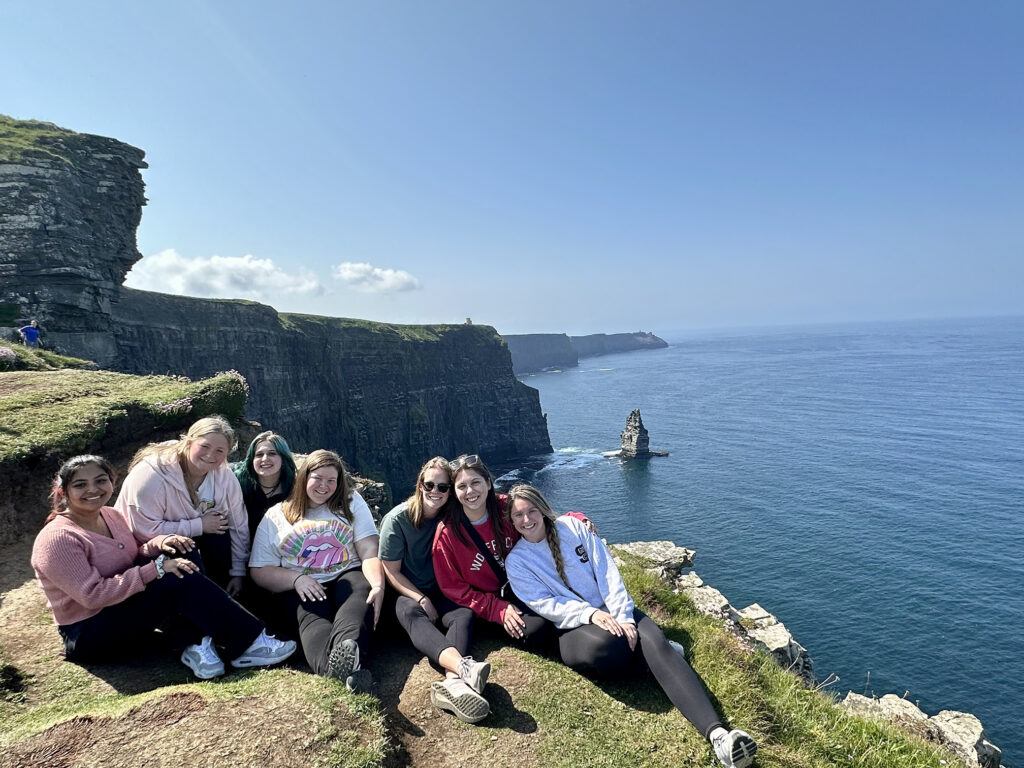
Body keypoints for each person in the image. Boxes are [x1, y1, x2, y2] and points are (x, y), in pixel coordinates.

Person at [504, 484, 758, 768]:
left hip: (613, 608)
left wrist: (623, 616)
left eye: (531, 511)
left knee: (656, 643)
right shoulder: (517, 561)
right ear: (511, 521)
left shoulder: (572, 527)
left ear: (543, 509)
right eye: (518, 516)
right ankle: (654, 663)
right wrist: (590, 615)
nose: (526, 520)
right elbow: (545, 604)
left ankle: (720, 737)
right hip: (572, 626)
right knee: (607, 647)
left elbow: (607, 572)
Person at [31, 455, 296, 678]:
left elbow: (135, 554)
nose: (93, 490)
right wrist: (156, 569)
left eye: (100, 481)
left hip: (122, 609)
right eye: (81, 485)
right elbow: (92, 595)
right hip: (90, 633)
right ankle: (248, 642)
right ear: (63, 492)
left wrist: (163, 542)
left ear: (112, 482)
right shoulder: (58, 538)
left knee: (183, 550)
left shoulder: (110, 516)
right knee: (174, 577)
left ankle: (196, 642)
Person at [249, 449, 385, 692]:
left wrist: (377, 584)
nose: (324, 486)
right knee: (310, 617)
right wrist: (296, 579)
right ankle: (340, 669)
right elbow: (259, 570)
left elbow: (367, 549)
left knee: (359, 591)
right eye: (318, 479)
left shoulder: (351, 502)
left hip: (346, 572)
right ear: (304, 478)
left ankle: (345, 651)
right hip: (301, 583)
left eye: (331, 480)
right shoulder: (276, 516)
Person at [380, 457, 490, 723]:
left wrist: (571, 518)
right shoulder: (398, 520)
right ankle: (464, 666)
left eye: (443, 487)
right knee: (411, 612)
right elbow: (391, 571)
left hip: (442, 589)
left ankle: (453, 682)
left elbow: (501, 505)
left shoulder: (452, 513)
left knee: (463, 614)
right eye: (429, 484)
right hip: (405, 591)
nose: (435, 492)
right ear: (420, 485)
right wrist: (420, 597)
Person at [115, 416, 248, 595]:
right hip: (142, 551)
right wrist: (199, 525)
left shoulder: (224, 477)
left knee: (219, 532)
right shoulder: (153, 476)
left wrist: (238, 573)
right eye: (205, 446)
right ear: (188, 442)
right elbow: (143, 530)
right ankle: (200, 603)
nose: (210, 455)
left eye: (219, 451)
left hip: (187, 541)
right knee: (183, 546)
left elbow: (238, 524)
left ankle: (224, 593)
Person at [431, 454, 551, 649]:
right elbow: (454, 588)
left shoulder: (507, 507)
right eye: (461, 486)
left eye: (475, 482)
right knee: (535, 631)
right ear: (454, 492)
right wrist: (496, 609)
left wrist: (576, 518)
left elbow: (541, 519)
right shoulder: (448, 534)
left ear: (488, 483)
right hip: (488, 602)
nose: (470, 491)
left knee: (552, 620)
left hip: (524, 588)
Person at [232, 431, 297, 543]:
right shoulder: (237, 482)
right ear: (252, 459)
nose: (265, 459)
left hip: (279, 551)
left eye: (272, 453)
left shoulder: (295, 487)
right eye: (259, 454)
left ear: (283, 458)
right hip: (240, 549)